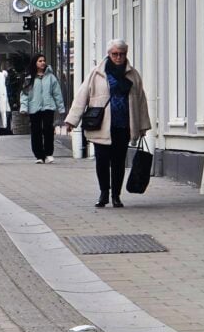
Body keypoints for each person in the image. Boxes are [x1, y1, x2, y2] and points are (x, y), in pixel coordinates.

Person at [65, 39, 151, 208]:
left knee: (119, 162)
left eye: (122, 54)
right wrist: (72, 121)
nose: (118, 57)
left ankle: (116, 196)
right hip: (101, 126)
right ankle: (104, 193)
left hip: (123, 125)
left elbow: (141, 101)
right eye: (115, 54)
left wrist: (142, 126)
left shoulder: (133, 75)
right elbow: (82, 97)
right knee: (102, 162)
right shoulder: (97, 73)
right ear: (109, 54)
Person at [19, 54, 65, 164]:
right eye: (40, 61)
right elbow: (24, 94)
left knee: (48, 130)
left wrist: (61, 108)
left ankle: (48, 154)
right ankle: (39, 155)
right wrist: (24, 107)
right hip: (34, 108)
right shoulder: (29, 78)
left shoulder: (51, 77)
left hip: (48, 107)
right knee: (36, 131)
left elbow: (57, 93)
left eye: (44, 60)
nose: (43, 63)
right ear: (35, 63)